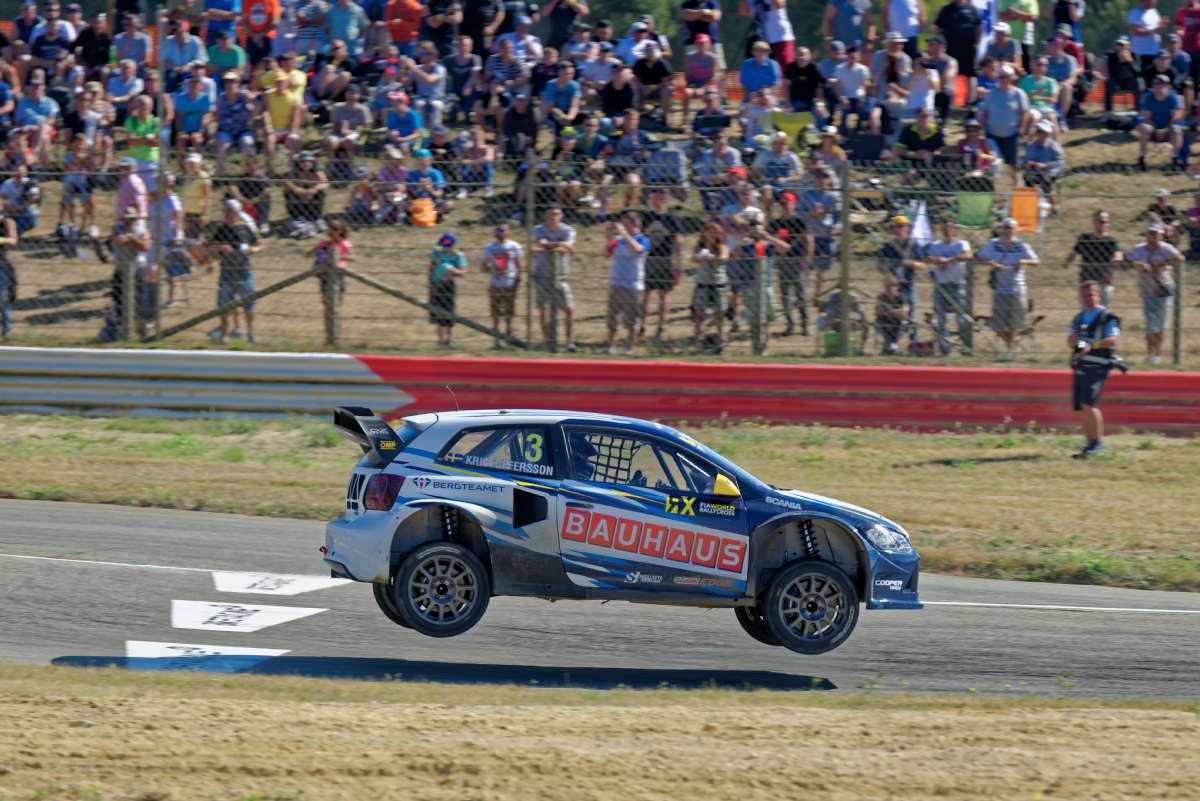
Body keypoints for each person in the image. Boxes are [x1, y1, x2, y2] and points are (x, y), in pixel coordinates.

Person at [1068, 281, 1122, 458]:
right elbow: (1072, 343)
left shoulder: (1108, 316)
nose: (1088, 298)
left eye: (1091, 295)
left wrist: (1093, 345)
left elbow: (1113, 339)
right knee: (1084, 406)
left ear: (1099, 295)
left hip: (1099, 366)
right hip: (1081, 366)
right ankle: (1090, 444)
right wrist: (1075, 341)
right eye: (1084, 295)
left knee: (1089, 403)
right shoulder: (1079, 318)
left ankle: (1097, 443)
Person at [976, 216, 1039, 359]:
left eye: (1010, 228)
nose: (1007, 231)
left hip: (1017, 288)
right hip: (1000, 288)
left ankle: (1010, 351)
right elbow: (978, 257)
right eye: (1005, 228)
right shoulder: (993, 244)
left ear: (1016, 230)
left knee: (1015, 324)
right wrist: (992, 263)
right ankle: (1013, 346)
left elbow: (1036, 260)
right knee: (997, 325)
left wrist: (1023, 261)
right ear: (1001, 229)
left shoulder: (1021, 245)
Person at [207, 197, 261, 345]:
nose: (227, 213)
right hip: (227, 271)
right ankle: (224, 335)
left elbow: (259, 245)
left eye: (230, 211)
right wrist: (220, 249)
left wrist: (250, 250)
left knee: (249, 305)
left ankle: (250, 333)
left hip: (244, 271)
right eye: (225, 210)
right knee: (224, 305)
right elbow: (210, 248)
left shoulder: (245, 227)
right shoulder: (220, 229)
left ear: (237, 212)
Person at [1127, 221, 1181, 364]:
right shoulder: (1139, 249)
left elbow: (1180, 258)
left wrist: (1156, 266)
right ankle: (1150, 354)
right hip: (1147, 290)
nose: (1153, 236)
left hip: (1163, 290)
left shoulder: (1166, 248)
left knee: (1161, 325)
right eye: (1150, 233)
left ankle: (1158, 354)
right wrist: (1139, 264)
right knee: (1151, 324)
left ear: (1161, 235)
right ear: (1146, 234)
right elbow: (1126, 262)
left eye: (1156, 233)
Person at [98, 206, 153, 342]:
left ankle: (140, 330)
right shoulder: (117, 228)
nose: (129, 221)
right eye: (127, 219)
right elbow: (119, 240)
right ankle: (122, 331)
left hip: (138, 269)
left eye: (132, 219)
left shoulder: (141, 230)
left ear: (136, 219)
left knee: (139, 301)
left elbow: (145, 246)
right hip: (121, 269)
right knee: (119, 301)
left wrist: (130, 238)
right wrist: (133, 239)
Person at [925, 218, 973, 355]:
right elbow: (928, 257)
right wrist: (937, 260)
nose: (947, 231)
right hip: (941, 286)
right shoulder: (936, 244)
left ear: (954, 229)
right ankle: (944, 350)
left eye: (950, 228)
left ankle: (964, 348)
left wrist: (948, 260)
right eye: (944, 228)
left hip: (957, 285)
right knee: (940, 319)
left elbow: (968, 255)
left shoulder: (961, 243)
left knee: (961, 319)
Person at [531, 205, 576, 350]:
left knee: (569, 309)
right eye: (550, 214)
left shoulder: (568, 230)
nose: (553, 217)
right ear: (545, 215)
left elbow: (567, 246)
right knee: (544, 309)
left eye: (556, 214)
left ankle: (570, 342)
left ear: (561, 215)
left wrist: (548, 248)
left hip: (560, 276)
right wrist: (559, 246)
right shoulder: (538, 229)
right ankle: (547, 341)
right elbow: (541, 243)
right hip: (542, 274)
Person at [641, 191, 683, 342]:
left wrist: (678, 265)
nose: (656, 201)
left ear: (665, 200)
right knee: (645, 294)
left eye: (659, 198)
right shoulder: (646, 216)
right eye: (653, 198)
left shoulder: (672, 217)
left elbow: (679, 241)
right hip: (648, 258)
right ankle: (642, 324)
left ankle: (661, 327)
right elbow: (641, 236)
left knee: (663, 295)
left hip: (665, 259)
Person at [768, 191, 812, 337]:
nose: (784, 206)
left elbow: (809, 241)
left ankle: (805, 324)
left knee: (801, 295)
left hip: (797, 260)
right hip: (782, 262)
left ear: (793, 205)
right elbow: (768, 239)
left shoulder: (799, 222)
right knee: (785, 295)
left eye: (787, 203)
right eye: (781, 204)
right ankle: (790, 324)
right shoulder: (776, 223)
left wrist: (807, 260)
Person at [605, 210, 649, 355]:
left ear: (636, 224)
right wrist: (608, 235)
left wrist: (624, 234)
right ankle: (611, 346)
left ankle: (630, 348)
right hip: (615, 282)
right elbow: (607, 252)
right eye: (622, 224)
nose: (622, 227)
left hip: (632, 285)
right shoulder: (618, 239)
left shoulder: (643, 239)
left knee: (632, 319)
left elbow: (637, 249)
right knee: (612, 317)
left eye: (626, 224)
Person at [978, 65, 1030, 181]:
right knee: (991, 164)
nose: (1002, 80)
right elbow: (985, 112)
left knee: (1014, 166)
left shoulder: (1019, 94)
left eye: (1005, 77)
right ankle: (989, 191)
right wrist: (984, 125)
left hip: (1011, 135)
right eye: (1000, 77)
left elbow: (1024, 113)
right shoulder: (991, 94)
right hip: (992, 134)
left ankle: (1018, 190)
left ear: (1011, 78)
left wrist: (1021, 129)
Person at [877, 214, 923, 343]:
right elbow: (879, 266)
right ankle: (891, 342)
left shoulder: (913, 245)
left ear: (908, 228)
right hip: (893, 288)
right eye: (895, 227)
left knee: (911, 316)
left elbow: (923, 264)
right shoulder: (888, 246)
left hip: (908, 285)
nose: (899, 229)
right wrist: (888, 273)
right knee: (891, 314)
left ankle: (914, 343)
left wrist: (910, 263)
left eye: (902, 226)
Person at [1063, 211, 1122, 309]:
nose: (1104, 224)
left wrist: (1110, 270)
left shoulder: (1111, 240)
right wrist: (1068, 262)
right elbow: (1074, 252)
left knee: (1101, 312)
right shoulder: (1085, 238)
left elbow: (1119, 256)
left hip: (1102, 282)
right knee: (1086, 311)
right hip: (1086, 281)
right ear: (1094, 222)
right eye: (1101, 221)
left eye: (1106, 222)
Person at [482, 222, 523, 346]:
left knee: (509, 311)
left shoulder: (514, 246)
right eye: (499, 230)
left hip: (510, 282)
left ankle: (509, 335)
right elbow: (484, 266)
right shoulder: (489, 247)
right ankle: (496, 339)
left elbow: (519, 264)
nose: (501, 233)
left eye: (504, 230)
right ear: (495, 232)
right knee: (495, 312)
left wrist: (518, 279)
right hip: (495, 283)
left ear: (508, 231)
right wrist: (489, 267)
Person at [313, 219, 352, 341]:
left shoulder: (345, 244)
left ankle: (336, 333)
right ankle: (329, 333)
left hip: (339, 276)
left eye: (335, 229)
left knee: (337, 306)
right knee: (327, 305)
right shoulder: (323, 244)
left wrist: (337, 257)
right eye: (330, 228)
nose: (332, 231)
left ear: (341, 231)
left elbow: (352, 257)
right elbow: (315, 254)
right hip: (325, 277)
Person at [1136, 73, 1185, 171]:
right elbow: (1146, 117)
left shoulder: (1173, 97)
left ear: (1167, 85)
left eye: (1160, 83)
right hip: (1153, 128)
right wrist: (1156, 130)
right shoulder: (1148, 97)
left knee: (1176, 129)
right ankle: (1141, 158)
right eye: (1155, 83)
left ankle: (1175, 159)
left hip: (1168, 129)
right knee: (1144, 128)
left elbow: (1176, 117)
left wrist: (1165, 129)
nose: (1157, 86)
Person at [934, 0, 980, 104]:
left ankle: (970, 101)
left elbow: (978, 27)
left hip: (967, 48)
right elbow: (937, 27)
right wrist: (937, 44)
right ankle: (948, 100)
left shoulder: (972, 9)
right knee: (949, 73)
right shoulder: (946, 9)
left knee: (970, 74)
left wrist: (974, 42)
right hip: (950, 48)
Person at [1021, 118, 1065, 215]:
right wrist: (1027, 163)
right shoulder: (1031, 146)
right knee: (1028, 178)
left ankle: (1055, 207)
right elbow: (1024, 161)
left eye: (1040, 131)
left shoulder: (1054, 145)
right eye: (1037, 131)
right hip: (1035, 171)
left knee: (1046, 181)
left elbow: (1061, 162)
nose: (1038, 133)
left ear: (1046, 134)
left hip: (1051, 172)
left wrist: (1046, 165)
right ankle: (1030, 205)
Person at [740, 0, 795, 67]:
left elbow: (780, 5)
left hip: (782, 37)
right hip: (764, 39)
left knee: (786, 67)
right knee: (766, 69)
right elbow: (743, 11)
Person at [875, 277, 910, 355]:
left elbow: (905, 310)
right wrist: (896, 312)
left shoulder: (901, 297)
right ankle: (893, 348)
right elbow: (878, 310)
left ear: (897, 287)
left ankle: (887, 349)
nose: (888, 289)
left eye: (891, 286)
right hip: (884, 322)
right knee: (880, 322)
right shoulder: (881, 297)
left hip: (898, 323)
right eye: (886, 286)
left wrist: (889, 312)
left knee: (904, 321)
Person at [1129, 0, 1166, 71]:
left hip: (1154, 52)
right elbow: (1136, 31)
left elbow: (1159, 31)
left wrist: (1163, 25)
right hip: (1140, 53)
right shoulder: (1135, 12)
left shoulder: (1154, 12)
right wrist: (1153, 31)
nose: (1155, 2)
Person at [0, 211, 16, 340]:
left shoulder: (7, 221)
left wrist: (1, 239)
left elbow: (13, 239)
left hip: (1, 265)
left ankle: (6, 331)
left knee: (3, 298)